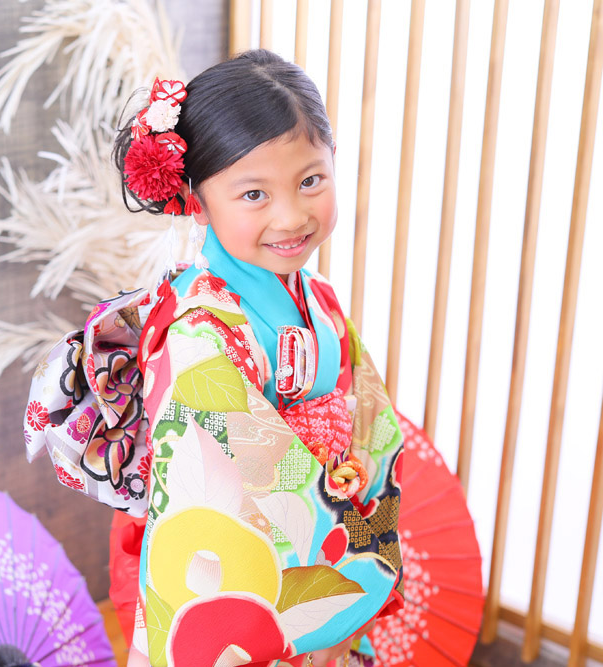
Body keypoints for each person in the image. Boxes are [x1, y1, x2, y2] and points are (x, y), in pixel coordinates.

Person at [25, 49, 403, 667]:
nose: (291, 215)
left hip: (334, 536)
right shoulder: (199, 327)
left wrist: (358, 506)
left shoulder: (321, 300)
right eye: (254, 193)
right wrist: (343, 583)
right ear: (196, 198)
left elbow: (372, 426)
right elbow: (229, 483)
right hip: (258, 573)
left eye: (311, 180)